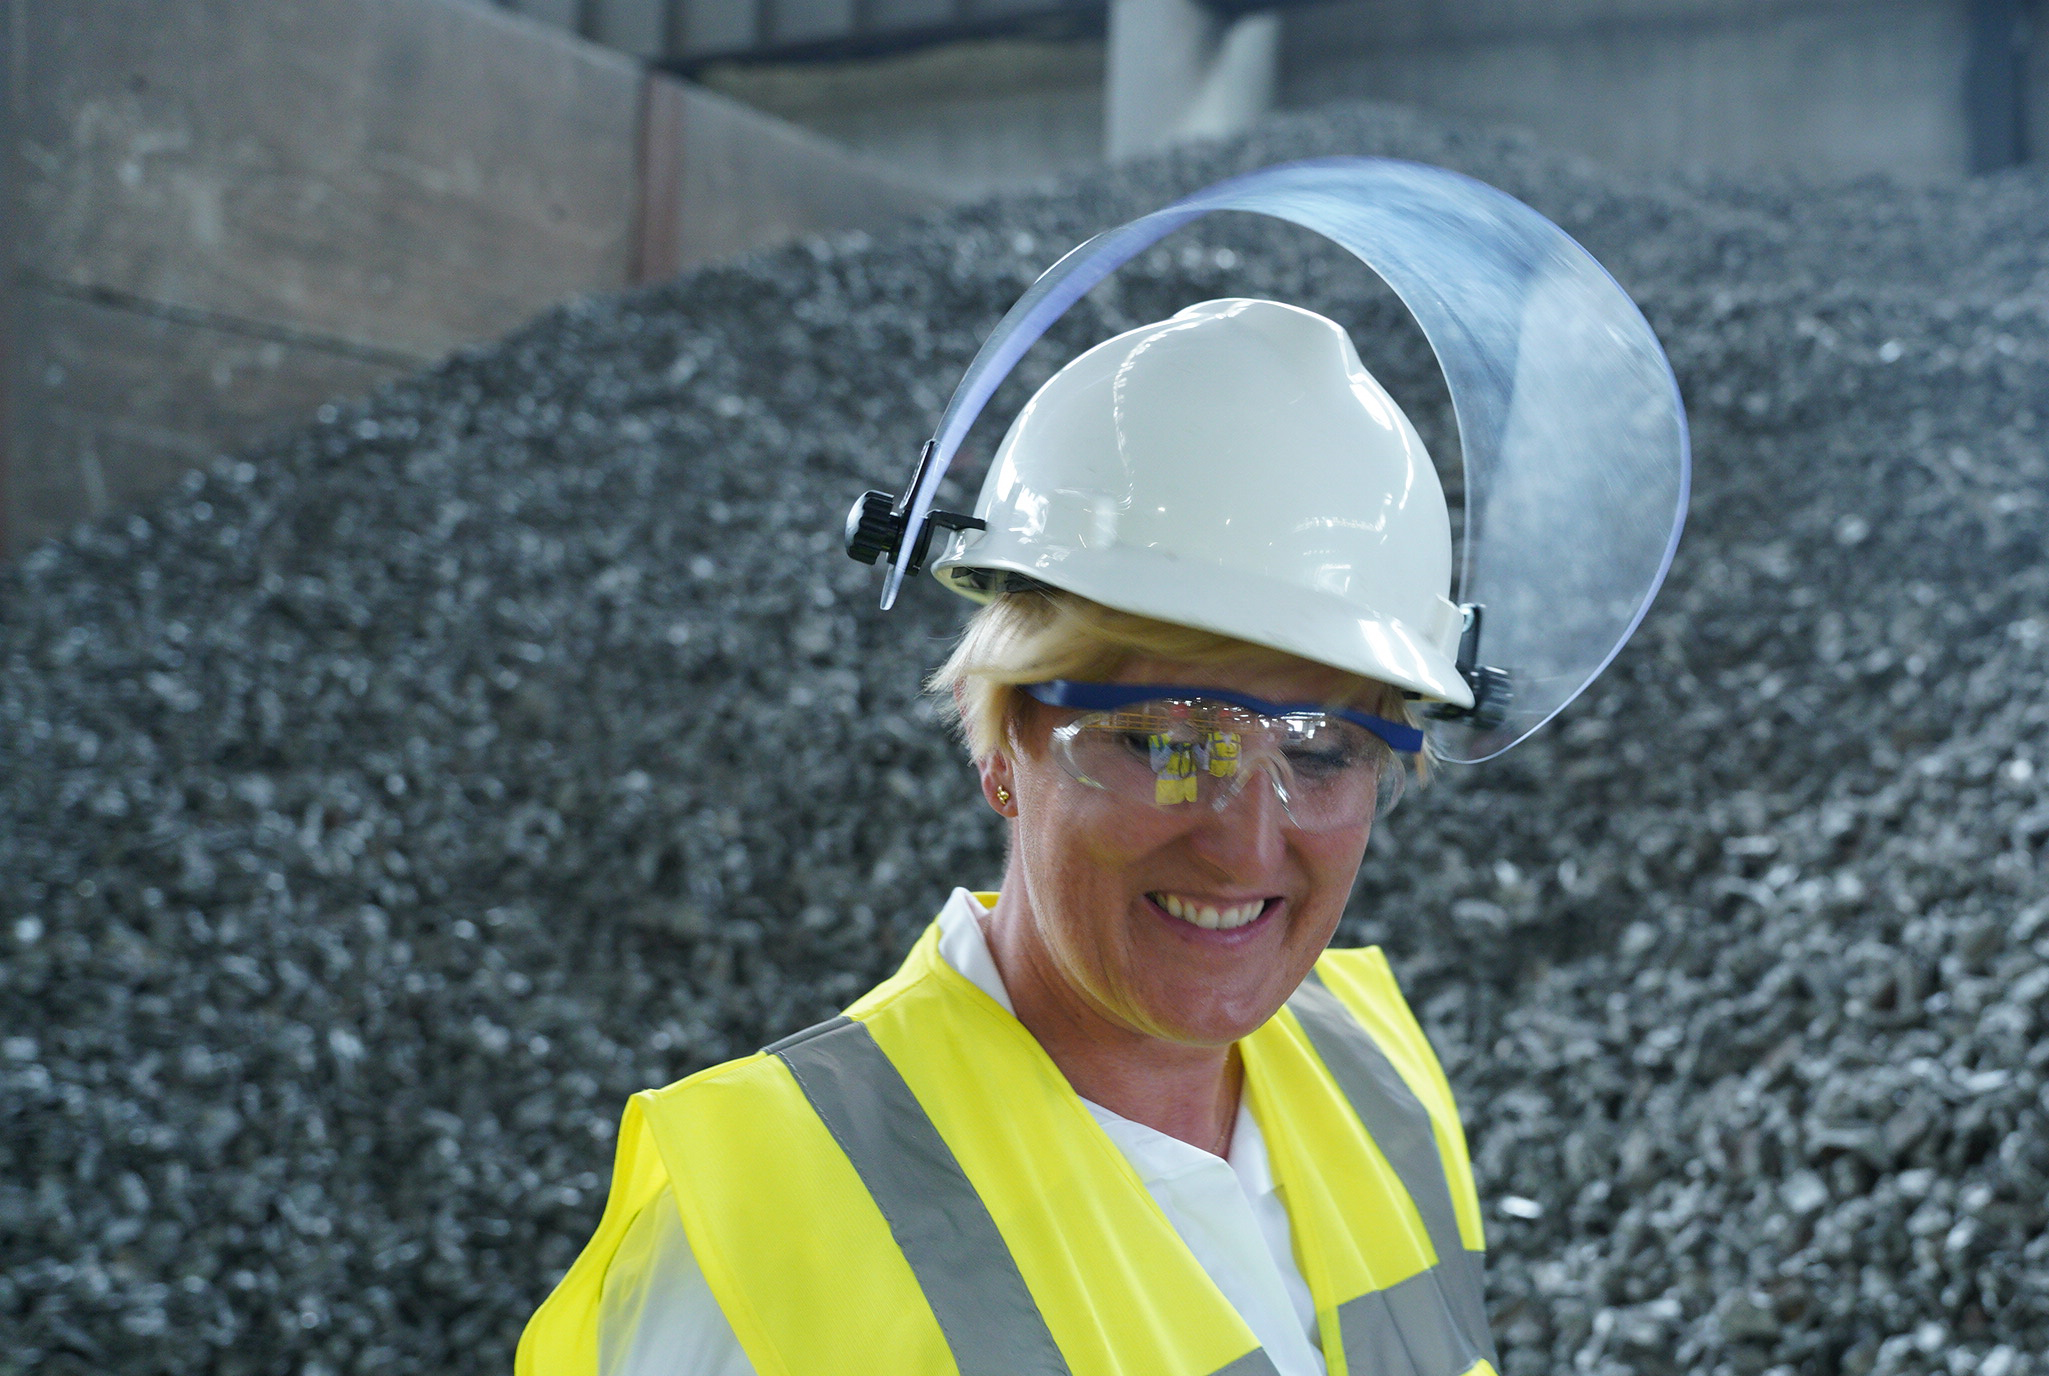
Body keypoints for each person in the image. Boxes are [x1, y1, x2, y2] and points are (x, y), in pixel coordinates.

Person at [519, 299, 1498, 1376]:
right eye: (1159, 741)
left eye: (1318, 753)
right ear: (1002, 748)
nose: (1241, 845)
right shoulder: (774, 1231)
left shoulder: (1377, 1077)